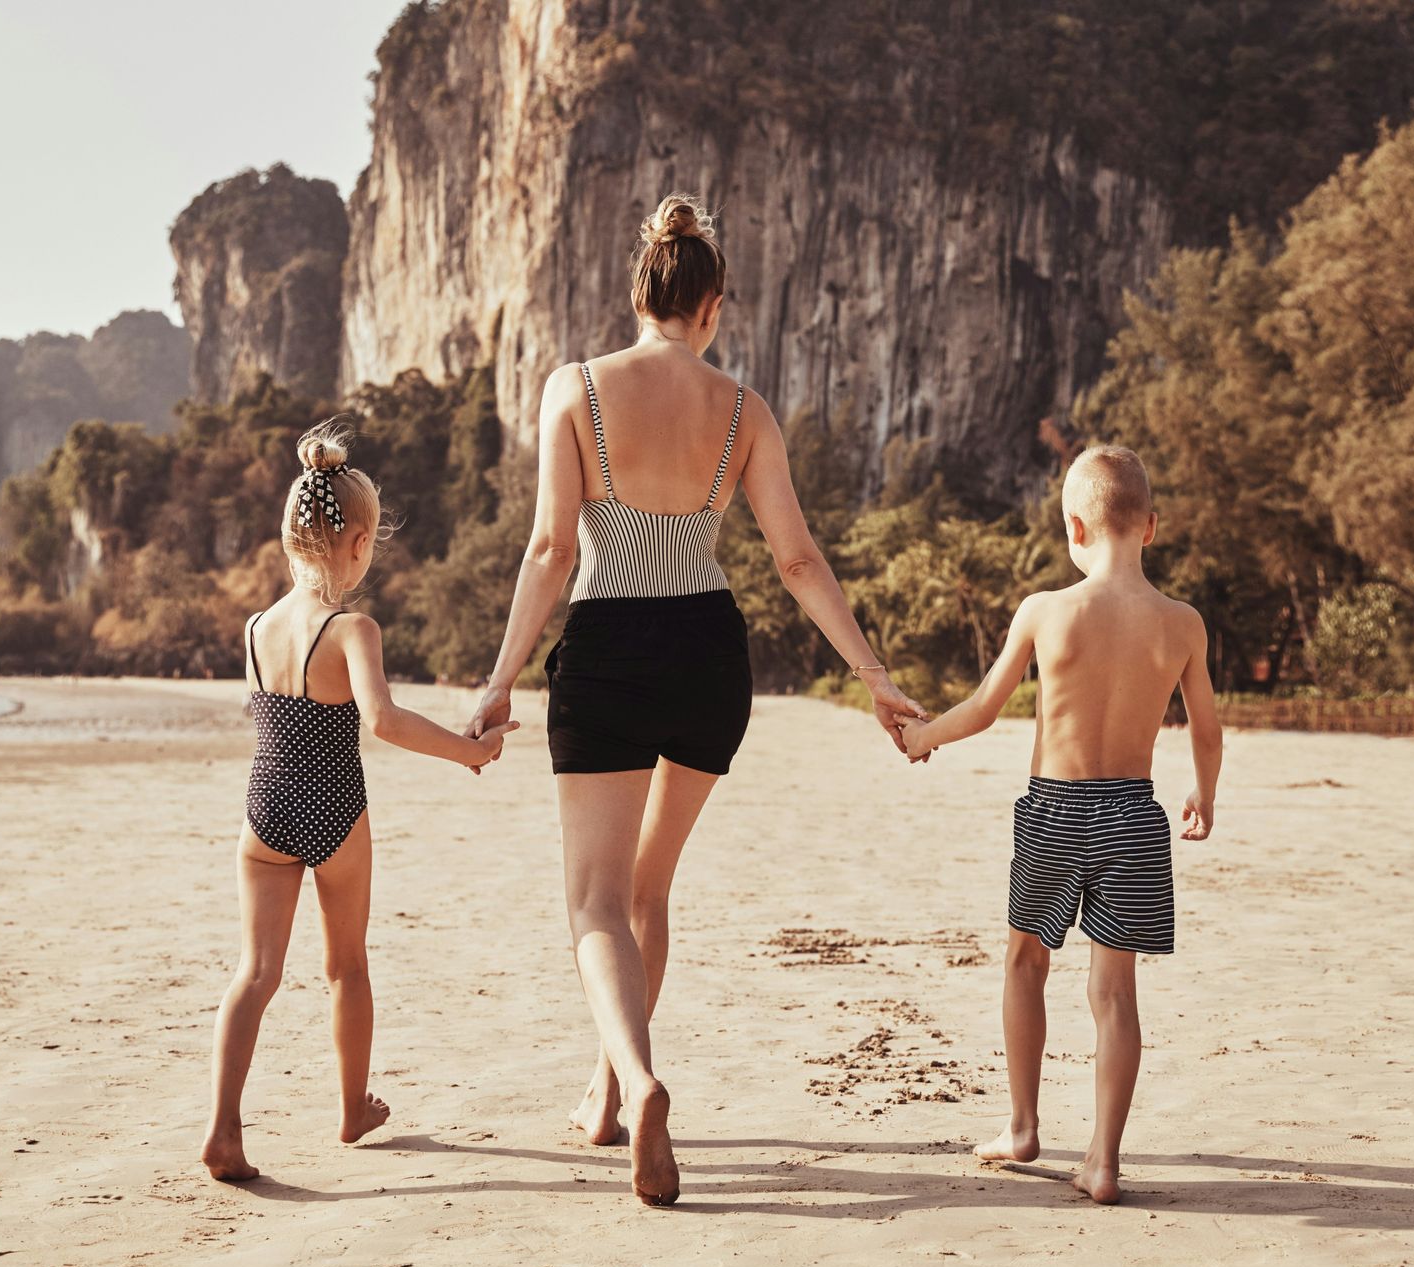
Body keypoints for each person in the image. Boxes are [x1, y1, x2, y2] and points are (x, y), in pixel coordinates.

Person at [464, 194, 926, 1205]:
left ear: (641, 293)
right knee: (648, 888)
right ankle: (604, 1095)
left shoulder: (573, 389)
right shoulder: (744, 409)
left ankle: (632, 1079)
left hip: (608, 647)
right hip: (711, 656)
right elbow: (797, 558)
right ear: (712, 306)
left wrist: (499, 681)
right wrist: (875, 676)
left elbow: (550, 549)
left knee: (593, 899)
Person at [900, 444, 1223, 1205]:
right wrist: (1204, 794)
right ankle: (1103, 1162)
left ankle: (1021, 1126)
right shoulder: (1182, 624)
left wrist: (922, 737)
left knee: (1025, 964)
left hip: (1054, 810)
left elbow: (983, 708)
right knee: (1115, 994)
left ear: (1074, 527)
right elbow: (1207, 729)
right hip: (1134, 815)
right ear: (1151, 527)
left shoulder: (1045, 611)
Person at [201, 419, 518, 1182]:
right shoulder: (353, 628)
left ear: (287, 538)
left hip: (263, 810)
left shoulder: (255, 627)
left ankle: (222, 1128)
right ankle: (351, 1108)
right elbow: (381, 721)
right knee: (346, 967)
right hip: (335, 810)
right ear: (360, 541)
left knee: (255, 972)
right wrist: (470, 752)